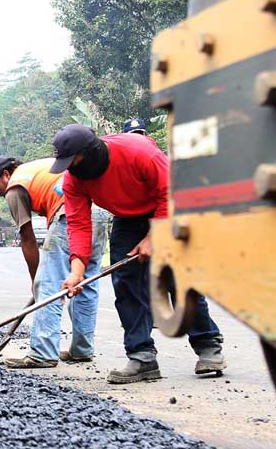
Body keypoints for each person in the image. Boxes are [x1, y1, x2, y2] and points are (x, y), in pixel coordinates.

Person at [50, 124, 226, 384]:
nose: (71, 168)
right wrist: (77, 271)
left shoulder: (139, 152)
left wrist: (153, 237)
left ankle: (208, 345)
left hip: (168, 207)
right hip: (127, 218)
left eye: (73, 160)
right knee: (126, 281)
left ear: (90, 154)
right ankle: (142, 356)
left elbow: (171, 193)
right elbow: (78, 223)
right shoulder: (73, 179)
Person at [0, 156, 108, 368]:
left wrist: (36, 281)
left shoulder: (15, 185)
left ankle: (43, 352)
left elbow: (28, 238)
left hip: (70, 214)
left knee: (48, 285)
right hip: (99, 213)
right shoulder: (39, 168)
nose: (1, 193)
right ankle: (82, 349)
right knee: (85, 283)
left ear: (5, 174)